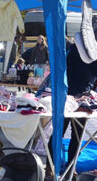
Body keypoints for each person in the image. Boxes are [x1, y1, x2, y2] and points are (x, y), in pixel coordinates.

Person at [45, 43, 97, 180]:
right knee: (74, 135)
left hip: (68, 96)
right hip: (77, 98)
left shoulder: (74, 47)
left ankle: (53, 168)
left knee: (61, 133)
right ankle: (67, 169)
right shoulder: (91, 51)